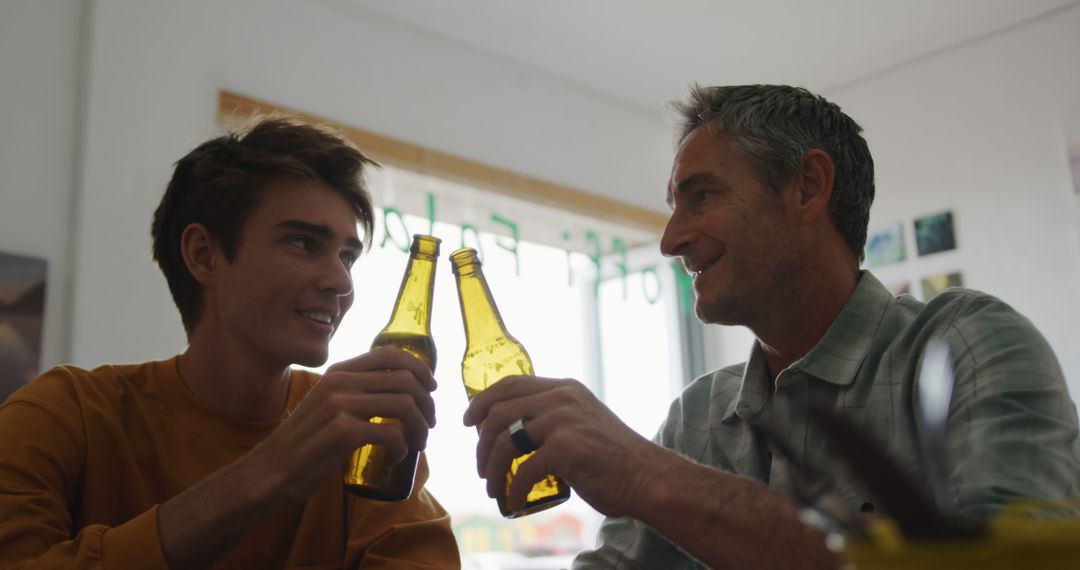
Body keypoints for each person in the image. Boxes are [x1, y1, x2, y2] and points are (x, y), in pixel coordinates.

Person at [463, 84, 1080, 569]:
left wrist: (642, 472)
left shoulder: (967, 345)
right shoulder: (698, 416)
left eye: (701, 196)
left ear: (808, 189)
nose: (670, 239)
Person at [0, 118, 460, 568]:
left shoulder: (357, 434)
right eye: (303, 243)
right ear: (204, 255)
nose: (340, 281)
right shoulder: (63, 414)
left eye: (347, 256)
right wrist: (269, 472)